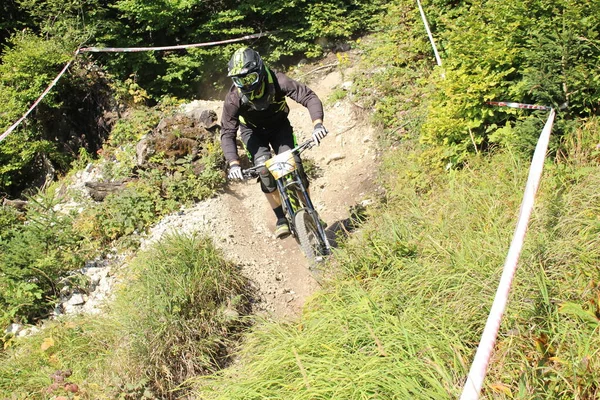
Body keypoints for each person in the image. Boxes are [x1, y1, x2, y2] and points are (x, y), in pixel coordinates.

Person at [220, 46, 328, 239]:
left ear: (260, 71)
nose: (244, 84)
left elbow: (309, 96)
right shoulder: (233, 98)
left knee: (293, 164)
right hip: (252, 133)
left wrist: (317, 124)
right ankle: (281, 218)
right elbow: (227, 133)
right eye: (239, 80)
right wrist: (233, 163)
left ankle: (310, 210)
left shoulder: (279, 81)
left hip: (279, 127)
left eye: (249, 78)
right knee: (264, 170)